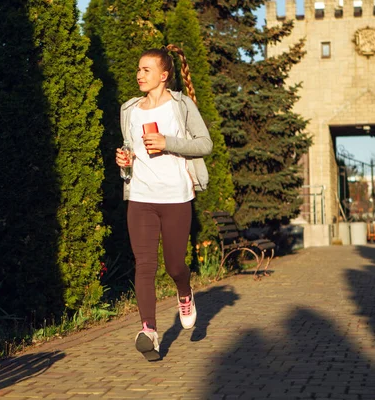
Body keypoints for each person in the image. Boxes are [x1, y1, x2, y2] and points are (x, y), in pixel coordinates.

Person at [115, 45, 213, 361]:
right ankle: (149, 332)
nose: (139, 74)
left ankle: (184, 293)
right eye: (139, 69)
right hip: (141, 196)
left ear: (164, 75)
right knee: (144, 265)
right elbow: (131, 151)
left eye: (146, 69)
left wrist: (167, 143)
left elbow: (205, 145)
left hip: (175, 196)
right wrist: (123, 161)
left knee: (174, 265)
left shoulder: (181, 106)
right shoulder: (130, 109)